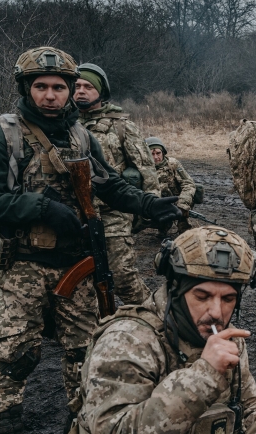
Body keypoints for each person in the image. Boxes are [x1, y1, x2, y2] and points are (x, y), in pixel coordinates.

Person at [0, 46, 181, 434]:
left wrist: (149, 205)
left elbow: (110, 186)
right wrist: (41, 208)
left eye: (58, 87)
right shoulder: (5, 136)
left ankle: (80, 426)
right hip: (25, 265)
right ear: (27, 89)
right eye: (41, 87)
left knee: (84, 351)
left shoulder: (82, 136)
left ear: (69, 91)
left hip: (77, 267)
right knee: (15, 354)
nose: (50, 95)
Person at [72, 226, 256, 434]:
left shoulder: (226, 338)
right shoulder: (128, 339)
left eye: (228, 299)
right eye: (202, 297)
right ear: (176, 291)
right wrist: (204, 377)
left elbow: (255, 411)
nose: (216, 312)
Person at [76, 63, 159, 306]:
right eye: (77, 86)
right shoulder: (64, 125)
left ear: (101, 91)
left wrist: (145, 213)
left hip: (113, 216)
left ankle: (153, 323)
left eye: (88, 86)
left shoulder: (121, 126)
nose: (81, 91)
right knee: (81, 281)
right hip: (74, 214)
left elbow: (147, 172)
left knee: (123, 278)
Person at [147, 136, 197, 236]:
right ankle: (162, 226)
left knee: (185, 231)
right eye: (152, 154)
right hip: (155, 204)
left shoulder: (173, 164)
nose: (156, 157)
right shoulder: (143, 168)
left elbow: (188, 183)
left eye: (158, 153)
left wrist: (182, 204)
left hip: (176, 201)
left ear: (163, 152)